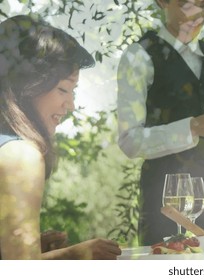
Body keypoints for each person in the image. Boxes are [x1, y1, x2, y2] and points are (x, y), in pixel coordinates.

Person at [117, 0, 204, 245]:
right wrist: (192, 127)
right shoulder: (139, 56)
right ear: (163, 3)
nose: (197, 14)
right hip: (166, 207)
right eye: (186, 4)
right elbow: (129, 141)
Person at [0, 14, 121, 260]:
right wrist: (74, 255)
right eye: (63, 89)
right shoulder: (20, 156)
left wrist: (28, 247)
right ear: (30, 85)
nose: (71, 105)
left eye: (73, 91)